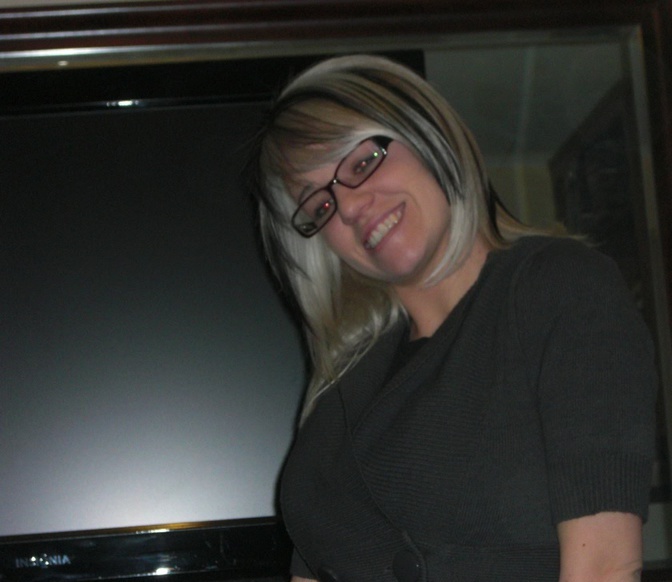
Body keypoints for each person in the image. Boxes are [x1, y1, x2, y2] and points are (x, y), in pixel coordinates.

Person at [246, 54, 657, 582]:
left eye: (361, 163)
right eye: (319, 206)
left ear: (425, 132)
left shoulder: (558, 288)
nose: (348, 207)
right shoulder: (344, 385)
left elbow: (603, 567)